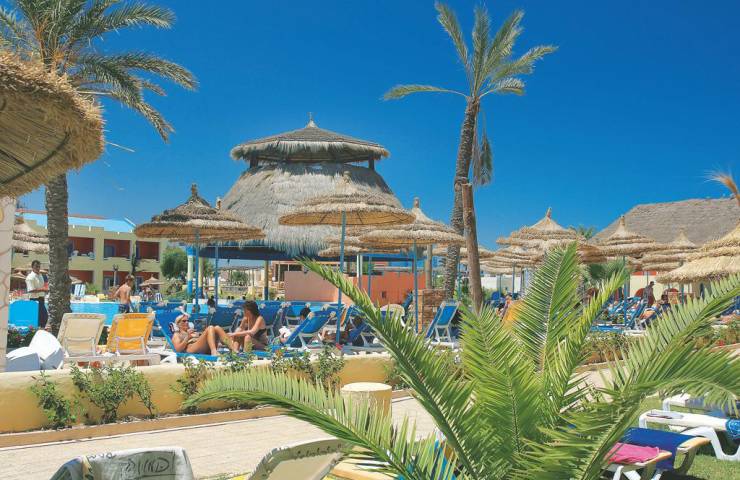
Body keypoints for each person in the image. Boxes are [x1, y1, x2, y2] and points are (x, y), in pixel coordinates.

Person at [171, 314, 235, 356]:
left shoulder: (191, 332)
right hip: (190, 349)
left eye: (187, 320)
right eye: (184, 321)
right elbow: (177, 350)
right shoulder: (177, 334)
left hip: (204, 349)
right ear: (178, 324)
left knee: (217, 328)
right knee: (210, 327)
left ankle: (234, 349)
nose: (187, 322)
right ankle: (214, 351)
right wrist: (187, 337)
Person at [25, 260, 48, 330]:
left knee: (42, 318)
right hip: (34, 300)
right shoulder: (30, 277)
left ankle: (40, 331)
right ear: (32, 267)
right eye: (36, 266)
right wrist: (43, 290)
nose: (38, 268)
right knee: (41, 318)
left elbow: (42, 286)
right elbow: (30, 290)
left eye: (38, 266)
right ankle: (38, 331)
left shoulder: (40, 275)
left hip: (41, 299)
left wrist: (45, 290)